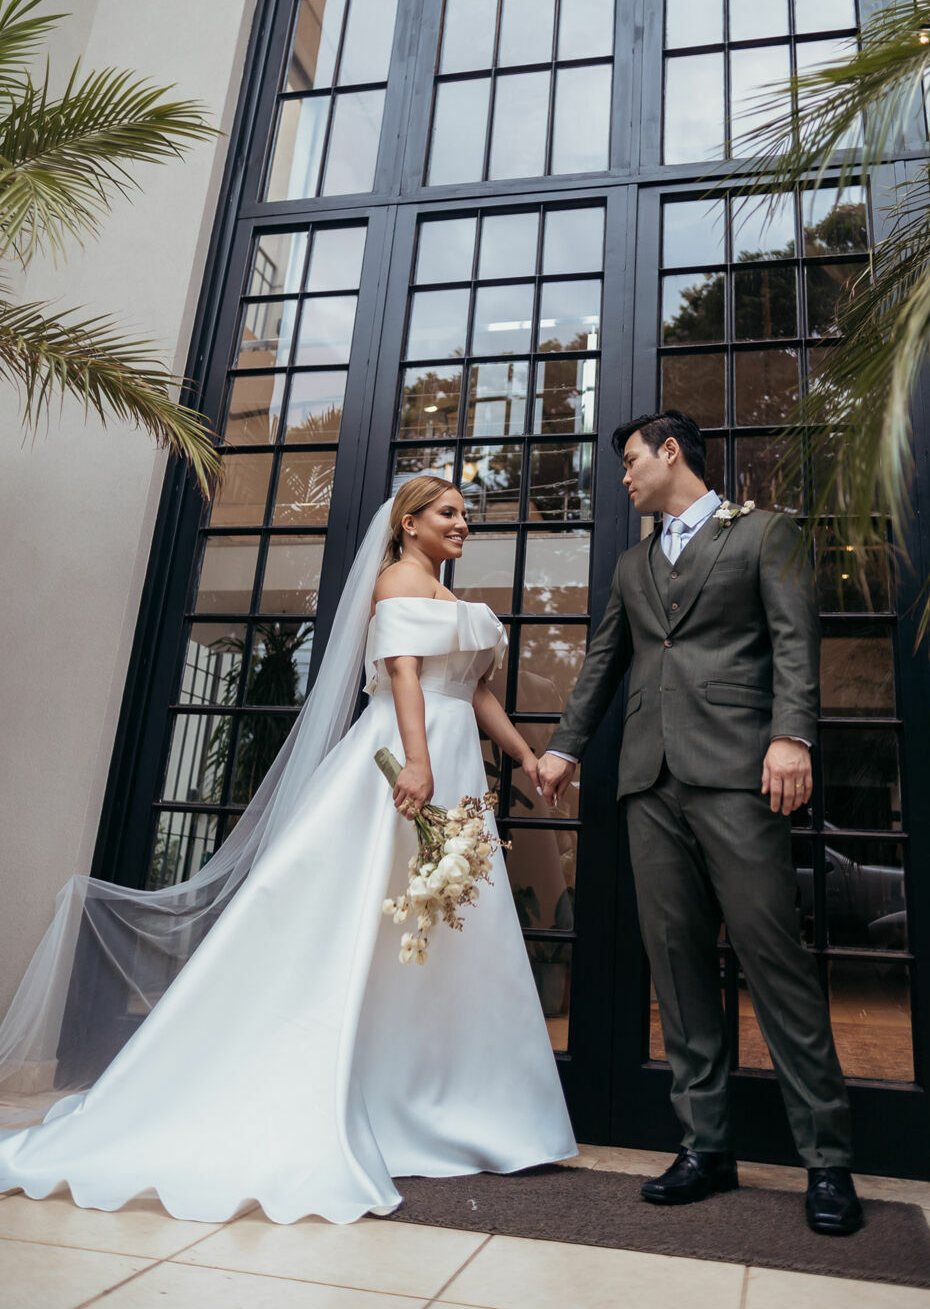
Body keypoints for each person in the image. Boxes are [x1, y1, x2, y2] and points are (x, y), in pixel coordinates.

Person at [0, 477, 575, 1223]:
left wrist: (526, 759)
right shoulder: (399, 580)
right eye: (448, 513)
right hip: (410, 758)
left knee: (437, 929)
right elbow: (402, 674)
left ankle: (437, 1097)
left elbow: (476, 694)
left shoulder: (442, 592)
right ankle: (381, 1093)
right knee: (366, 911)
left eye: (465, 514)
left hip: (453, 752)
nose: (463, 523)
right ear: (409, 523)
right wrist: (417, 760)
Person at [537, 411, 863, 1236]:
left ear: (670, 451)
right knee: (677, 967)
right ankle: (705, 1146)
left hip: (739, 776)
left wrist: (791, 737)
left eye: (629, 462)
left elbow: (796, 640)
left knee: (772, 958)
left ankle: (826, 1160)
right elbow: (604, 663)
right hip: (650, 783)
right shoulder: (632, 566)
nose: (623, 478)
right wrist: (563, 749)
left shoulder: (763, 533)